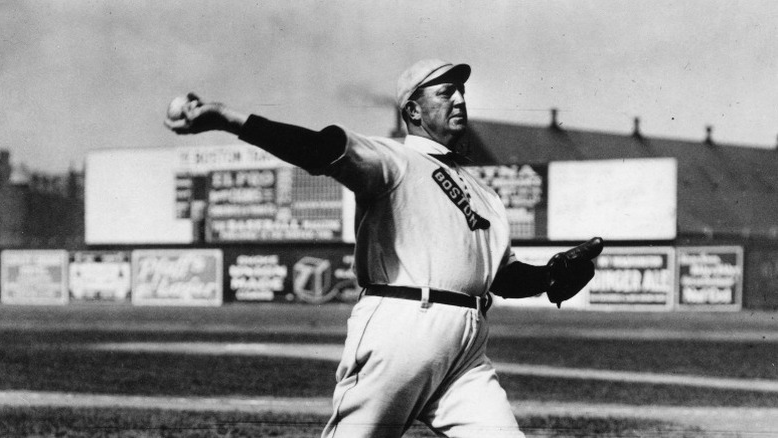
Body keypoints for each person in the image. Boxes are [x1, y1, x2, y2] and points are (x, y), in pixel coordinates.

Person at [165, 59, 599, 438]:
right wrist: (228, 119)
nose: (459, 100)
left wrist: (548, 276)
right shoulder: (393, 160)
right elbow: (318, 148)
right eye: (445, 92)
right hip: (403, 324)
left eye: (462, 91)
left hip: (467, 344)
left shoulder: (487, 195)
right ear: (413, 109)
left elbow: (501, 276)